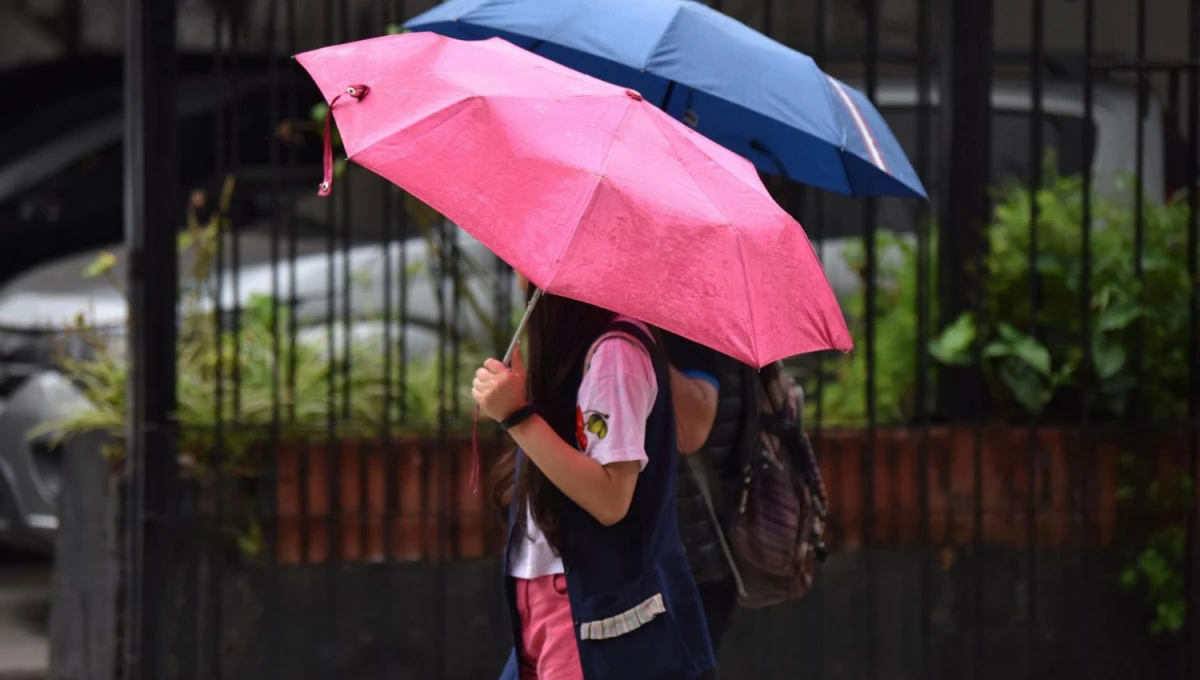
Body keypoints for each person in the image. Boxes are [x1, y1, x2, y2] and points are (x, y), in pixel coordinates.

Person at [473, 284, 715, 680]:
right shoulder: (575, 348)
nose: (517, 273)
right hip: (546, 596)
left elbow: (610, 497)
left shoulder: (616, 353)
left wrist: (517, 418)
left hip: (595, 612)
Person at [662, 332, 749, 678]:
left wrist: (643, 336)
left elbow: (690, 431)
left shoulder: (689, 327)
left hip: (693, 561)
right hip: (670, 557)